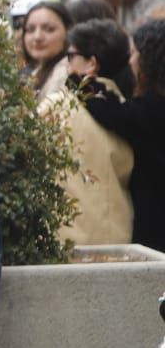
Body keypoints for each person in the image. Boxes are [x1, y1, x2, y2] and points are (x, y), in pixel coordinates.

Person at [39, 17, 134, 246]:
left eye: (71, 56)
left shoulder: (57, 107)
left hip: (67, 236)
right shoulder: (126, 110)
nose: (66, 64)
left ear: (91, 64)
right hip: (120, 234)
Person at [83, 19, 165, 252]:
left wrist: (79, 83)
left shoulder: (151, 109)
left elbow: (109, 113)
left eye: (135, 53)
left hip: (155, 225)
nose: (131, 61)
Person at [20, 0, 73, 94]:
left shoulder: (65, 74)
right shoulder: (34, 71)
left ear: (68, 31)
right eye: (30, 30)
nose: (37, 37)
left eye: (49, 29)